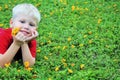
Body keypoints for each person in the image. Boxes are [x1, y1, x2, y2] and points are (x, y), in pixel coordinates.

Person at [0, 3, 41, 68]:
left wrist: (24, 42)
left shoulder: (32, 41)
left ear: (36, 29)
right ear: (11, 23)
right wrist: (16, 44)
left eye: (31, 25)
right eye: (22, 22)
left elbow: (29, 65)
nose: (26, 27)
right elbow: (1, 65)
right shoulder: (3, 36)